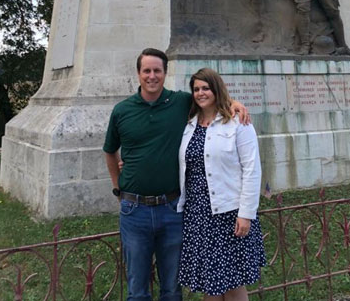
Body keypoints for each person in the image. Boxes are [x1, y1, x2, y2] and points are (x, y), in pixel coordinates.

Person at [103, 48, 250, 301]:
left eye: (157, 71)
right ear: (138, 74)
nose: (152, 76)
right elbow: (109, 151)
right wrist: (119, 189)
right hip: (134, 210)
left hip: (171, 209)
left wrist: (233, 103)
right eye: (146, 71)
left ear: (165, 74)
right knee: (137, 289)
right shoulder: (121, 110)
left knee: (171, 287)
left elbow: (210, 98)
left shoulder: (181, 102)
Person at [177, 68, 265, 300]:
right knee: (211, 283)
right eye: (196, 89)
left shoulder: (238, 122)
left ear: (216, 89)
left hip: (228, 213)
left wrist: (246, 213)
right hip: (198, 214)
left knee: (233, 283)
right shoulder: (189, 122)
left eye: (206, 88)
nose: (200, 93)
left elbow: (252, 169)